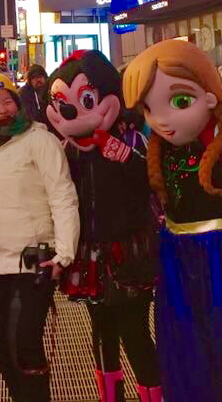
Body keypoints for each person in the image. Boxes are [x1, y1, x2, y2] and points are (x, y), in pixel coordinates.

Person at [123, 39, 222, 402]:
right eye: (149, 108)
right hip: (177, 256)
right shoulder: (162, 145)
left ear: (210, 96)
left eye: (180, 102)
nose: (161, 119)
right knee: (184, 343)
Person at [46, 50, 161, 402]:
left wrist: (119, 152)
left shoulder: (131, 140)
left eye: (85, 100)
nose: (73, 114)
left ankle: (153, 394)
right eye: (63, 103)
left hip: (129, 252)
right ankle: (111, 396)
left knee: (136, 331)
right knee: (101, 333)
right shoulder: (67, 152)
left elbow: (153, 182)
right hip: (89, 255)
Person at [0, 73, 79, 402]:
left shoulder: (38, 140)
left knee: (26, 342)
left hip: (33, 261)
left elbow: (63, 196)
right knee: (1, 345)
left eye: (8, 102)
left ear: (19, 104)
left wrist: (64, 253)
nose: (2, 110)